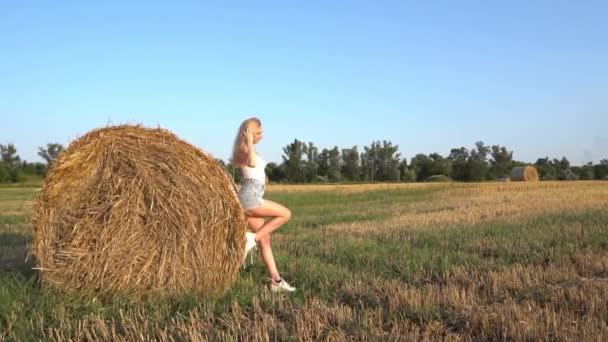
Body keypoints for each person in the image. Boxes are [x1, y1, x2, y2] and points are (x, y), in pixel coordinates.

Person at [232, 117, 296, 293]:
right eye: (258, 133)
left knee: (265, 238)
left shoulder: (248, 150)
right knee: (285, 214)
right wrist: (250, 142)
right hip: (250, 196)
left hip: (252, 193)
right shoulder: (245, 149)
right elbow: (252, 163)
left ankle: (276, 281)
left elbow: (254, 169)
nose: (262, 136)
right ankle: (250, 239)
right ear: (250, 133)